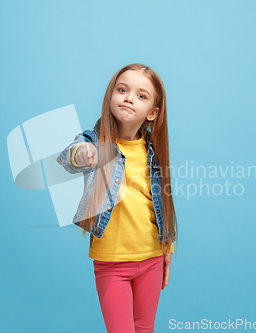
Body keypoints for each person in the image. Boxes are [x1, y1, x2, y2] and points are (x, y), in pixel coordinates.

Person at [56, 63, 178, 333]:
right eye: (122, 89)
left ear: (152, 113)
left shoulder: (153, 152)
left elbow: (161, 201)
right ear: (111, 95)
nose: (129, 97)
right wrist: (82, 152)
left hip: (152, 258)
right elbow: (70, 156)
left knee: (145, 328)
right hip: (111, 262)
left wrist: (168, 246)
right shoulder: (96, 141)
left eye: (141, 95)